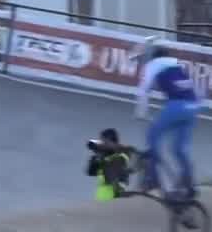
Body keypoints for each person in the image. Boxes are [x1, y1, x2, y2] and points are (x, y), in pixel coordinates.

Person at [132, 43, 203, 197]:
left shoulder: (152, 65)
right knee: (178, 149)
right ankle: (189, 183)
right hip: (193, 106)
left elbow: (143, 91)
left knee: (152, 137)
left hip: (177, 105)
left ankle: (152, 178)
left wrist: (141, 113)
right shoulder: (177, 65)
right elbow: (196, 90)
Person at [85, 128, 137, 201]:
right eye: (102, 141)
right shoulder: (104, 156)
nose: (103, 144)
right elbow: (91, 172)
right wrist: (96, 159)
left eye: (105, 142)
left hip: (115, 198)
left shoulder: (122, 155)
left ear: (113, 142)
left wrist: (103, 158)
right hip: (102, 198)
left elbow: (123, 170)